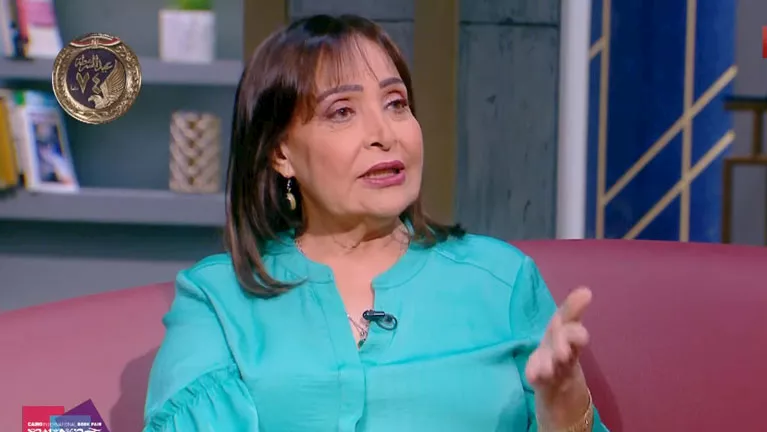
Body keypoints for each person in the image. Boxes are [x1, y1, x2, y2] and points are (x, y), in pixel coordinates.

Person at [142, 14, 610, 432]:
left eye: (396, 103)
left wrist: (565, 413)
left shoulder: (502, 282)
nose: (385, 134)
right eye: (342, 112)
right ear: (280, 152)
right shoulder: (219, 300)